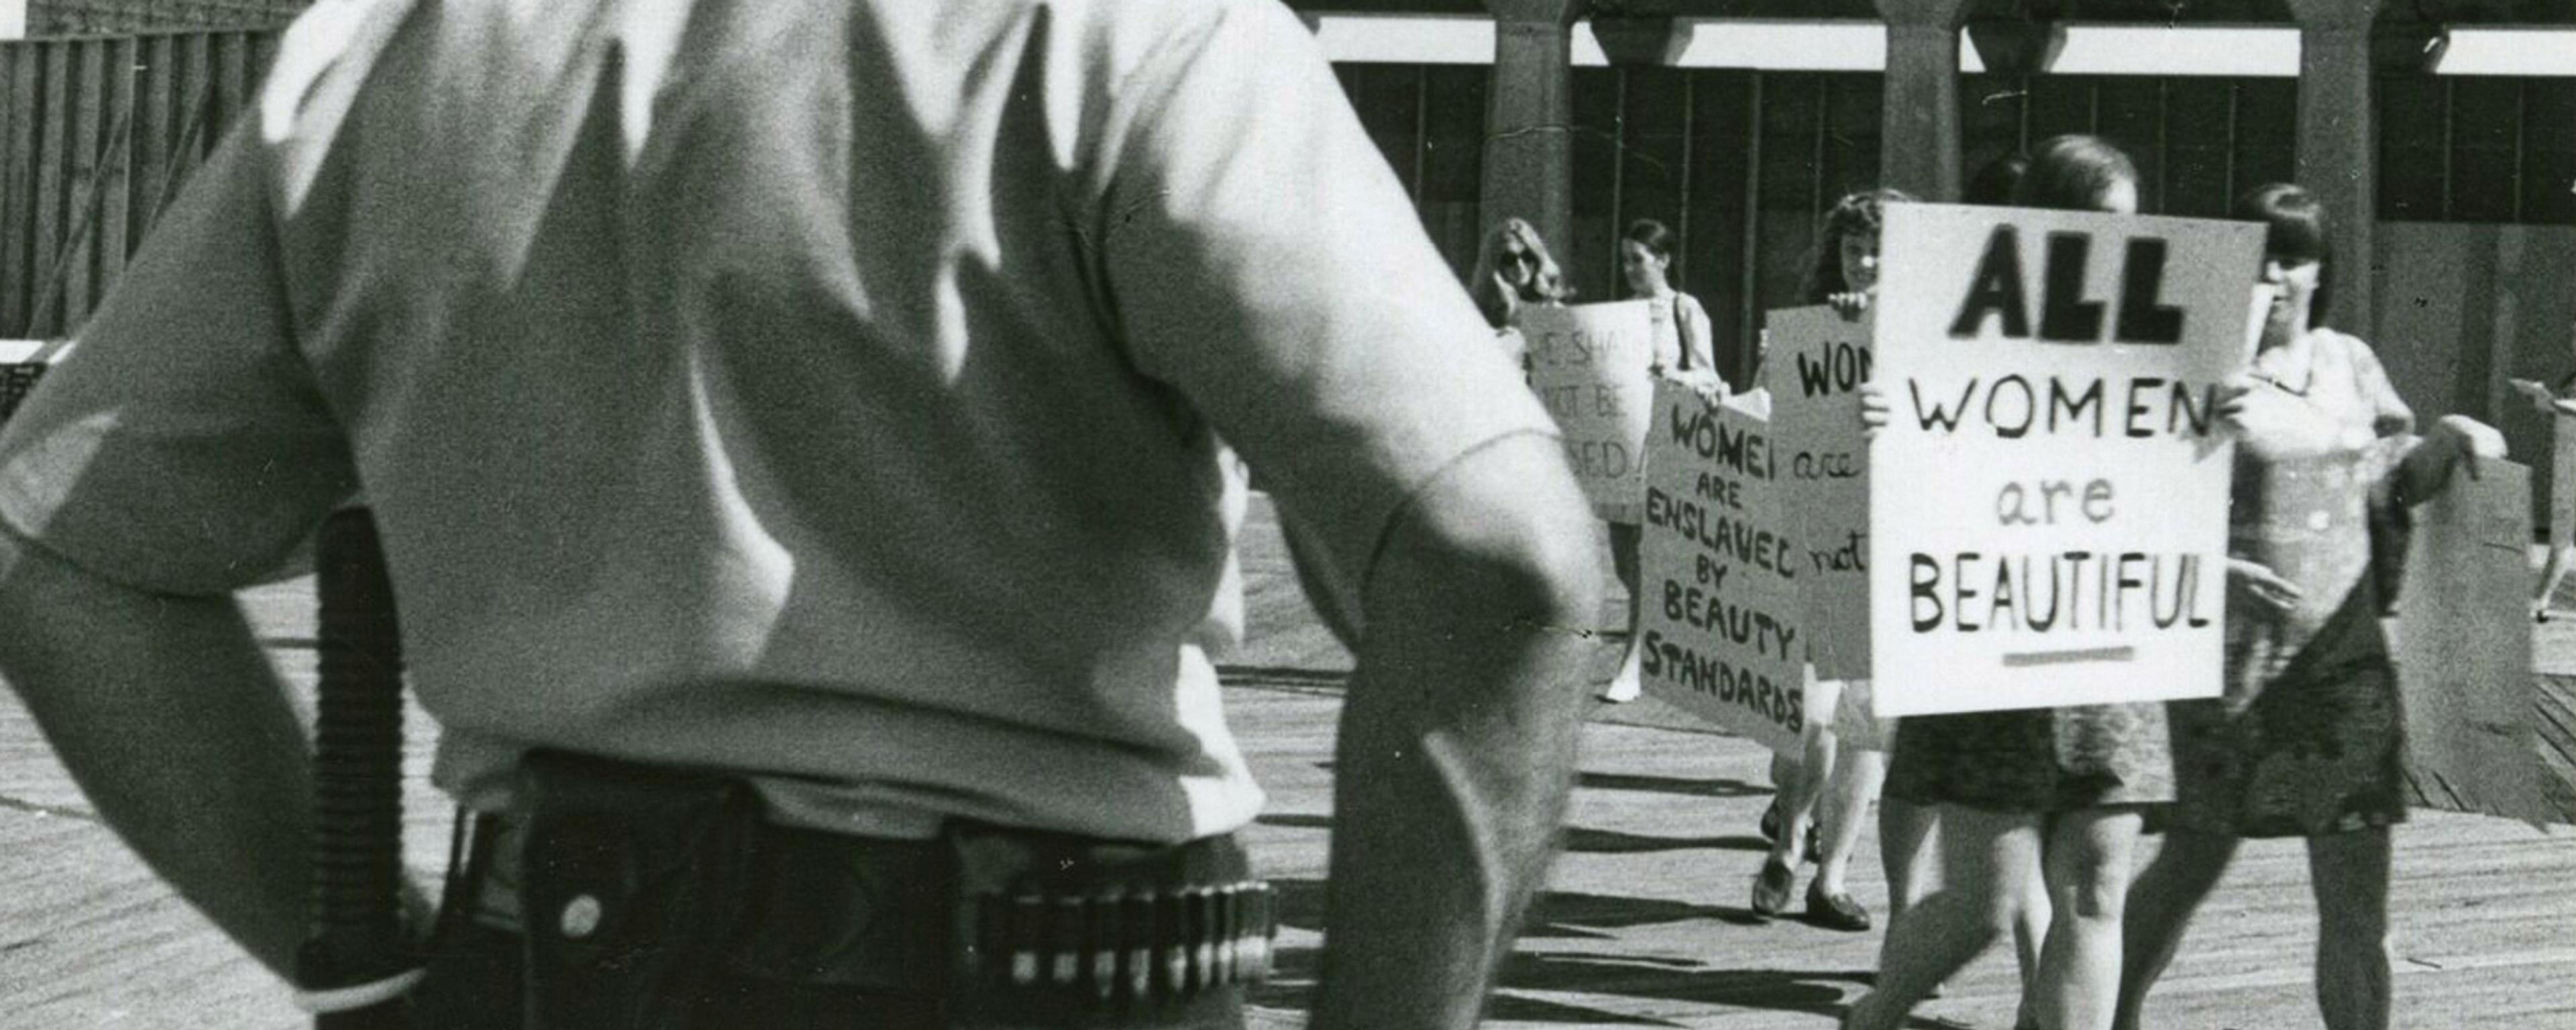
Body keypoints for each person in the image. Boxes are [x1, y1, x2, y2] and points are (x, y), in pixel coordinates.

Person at [0, 3, 1605, 1029]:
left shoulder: (384, 49)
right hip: (1036, 983)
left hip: (547, 964)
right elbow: (1501, 561)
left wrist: (372, 957)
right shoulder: (1126, 37)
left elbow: (61, 550)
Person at [2112, 183, 2504, 1030]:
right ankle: (2102, 1015)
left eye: (2292, 255)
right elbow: (2131, 503)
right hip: (2228, 669)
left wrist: (2454, 438)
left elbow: (2392, 475)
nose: (2276, 274)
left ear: (2320, 268)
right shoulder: (2195, 363)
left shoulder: (2350, 362)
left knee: (2358, 901)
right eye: (2259, 255)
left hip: (2344, 671)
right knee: (2191, 858)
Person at [1845, 135, 2165, 1030]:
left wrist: (2216, 422)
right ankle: (1873, 1018)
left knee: (2098, 886)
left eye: (2127, 229)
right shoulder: (1962, 336)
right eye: (2095, 224)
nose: (2115, 244)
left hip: (2112, 642)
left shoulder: (2162, 340)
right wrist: (1892, 429)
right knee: (1984, 906)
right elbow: (1917, 497)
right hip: (2000, 651)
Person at [1748, 190, 1908, 935]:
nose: (1866, 262)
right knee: (1811, 718)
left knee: (1865, 725)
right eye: (1853, 248)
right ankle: (1789, 832)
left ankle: (1832, 877)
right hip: (1819, 535)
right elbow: (1772, 419)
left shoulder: (1933, 337)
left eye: (1879, 248)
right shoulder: (1807, 332)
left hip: (1895, 542)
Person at [1600, 217, 1719, 703]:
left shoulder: (1684, 310)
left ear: (1664, 260)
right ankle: (1659, 639)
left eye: (1639, 259)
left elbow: (1712, 382)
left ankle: (1632, 662)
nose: (1630, 269)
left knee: (1647, 560)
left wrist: (1674, 376)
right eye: (1625, 260)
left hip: (1664, 445)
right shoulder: (1616, 315)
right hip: (1621, 450)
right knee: (1628, 565)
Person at [1470, 215, 1576, 367]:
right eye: (1509, 259)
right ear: (1495, 265)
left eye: (1527, 257)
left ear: (1537, 258)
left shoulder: (1552, 309)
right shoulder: (1478, 314)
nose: (1520, 266)